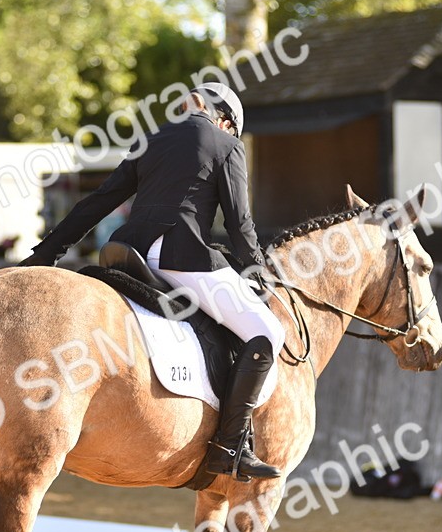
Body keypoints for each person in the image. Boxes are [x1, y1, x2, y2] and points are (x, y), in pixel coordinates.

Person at [19, 82, 286, 482]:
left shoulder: (151, 139)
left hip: (129, 253)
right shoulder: (226, 144)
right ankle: (230, 448)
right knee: (266, 332)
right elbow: (238, 223)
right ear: (226, 121)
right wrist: (258, 274)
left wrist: (46, 253)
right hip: (182, 259)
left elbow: (98, 201)